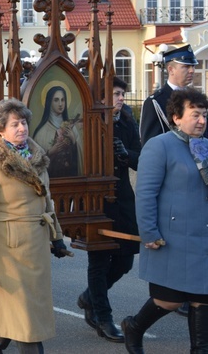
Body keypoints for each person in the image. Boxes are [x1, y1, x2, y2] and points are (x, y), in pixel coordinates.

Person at [0, 98, 69, 354]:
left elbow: (46, 200)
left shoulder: (36, 156)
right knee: (24, 321)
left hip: (36, 246)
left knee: (14, 321)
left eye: (23, 122)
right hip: (7, 250)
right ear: (0, 129)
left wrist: (56, 237)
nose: (22, 128)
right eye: (14, 124)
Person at [121, 88, 208, 354]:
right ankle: (134, 327)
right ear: (176, 117)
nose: (202, 121)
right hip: (171, 238)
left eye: (205, 115)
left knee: (202, 300)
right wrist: (148, 233)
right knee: (168, 301)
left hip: (203, 238)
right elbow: (146, 194)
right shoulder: (160, 146)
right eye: (196, 115)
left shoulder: (205, 146)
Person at [76, 77, 140, 343]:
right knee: (100, 260)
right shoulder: (87, 122)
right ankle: (102, 315)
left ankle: (89, 297)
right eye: (115, 94)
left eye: (122, 94)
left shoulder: (127, 120)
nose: (120, 99)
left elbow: (139, 157)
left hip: (123, 198)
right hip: (96, 200)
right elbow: (74, 158)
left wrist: (125, 153)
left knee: (125, 259)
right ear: (100, 97)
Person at [140, 44, 199, 146]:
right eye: (186, 66)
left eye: (193, 66)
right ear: (171, 69)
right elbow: (150, 144)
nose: (192, 70)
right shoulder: (155, 102)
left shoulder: (196, 98)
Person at [32, 85, 82, 177]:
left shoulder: (71, 128)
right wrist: (50, 152)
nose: (60, 104)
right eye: (56, 100)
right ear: (49, 102)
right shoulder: (41, 132)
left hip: (72, 182)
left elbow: (81, 159)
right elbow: (35, 163)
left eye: (63, 100)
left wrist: (74, 140)